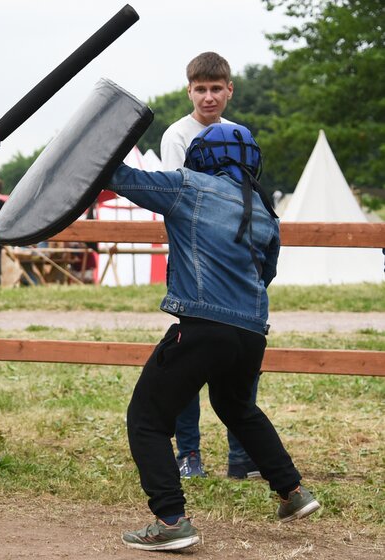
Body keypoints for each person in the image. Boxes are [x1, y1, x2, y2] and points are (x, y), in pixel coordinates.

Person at [111, 123, 320, 551]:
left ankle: (171, 521)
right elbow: (266, 275)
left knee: (146, 419)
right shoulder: (265, 211)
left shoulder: (189, 186)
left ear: (202, 157)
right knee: (236, 406)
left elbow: (120, 178)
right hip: (251, 334)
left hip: (205, 327)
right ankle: (292, 492)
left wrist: (99, 142)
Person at [160, 52, 259, 481]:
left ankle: (241, 454)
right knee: (188, 361)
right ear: (189, 90)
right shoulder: (177, 136)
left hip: (234, 260)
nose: (208, 96)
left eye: (216, 88)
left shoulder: (239, 136)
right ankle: (189, 454)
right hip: (194, 261)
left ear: (229, 90)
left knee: (239, 359)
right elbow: (175, 195)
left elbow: (246, 196)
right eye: (200, 88)